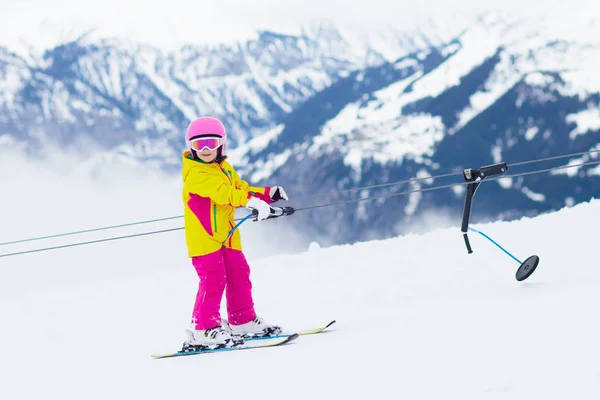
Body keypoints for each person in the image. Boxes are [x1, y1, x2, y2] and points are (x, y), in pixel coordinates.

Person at [181, 116, 289, 348]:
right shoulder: (196, 175)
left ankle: (243, 321)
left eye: (211, 142)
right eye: (200, 145)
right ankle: (203, 328)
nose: (207, 149)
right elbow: (224, 194)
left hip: (227, 236)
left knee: (239, 272)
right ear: (191, 147)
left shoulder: (223, 168)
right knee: (213, 280)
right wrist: (250, 202)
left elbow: (238, 189)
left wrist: (266, 194)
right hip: (205, 239)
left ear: (222, 143)